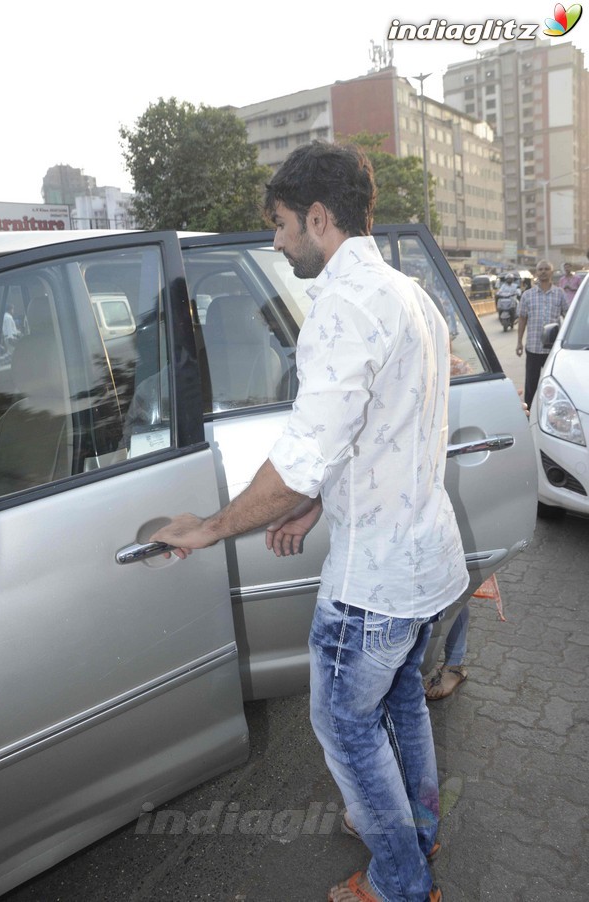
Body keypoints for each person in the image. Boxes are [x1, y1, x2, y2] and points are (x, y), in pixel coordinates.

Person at [151, 141, 469, 902]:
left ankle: (398, 879)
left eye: (282, 224)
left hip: (373, 586)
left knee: (346, 731)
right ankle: (411, 831)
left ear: (318, 218)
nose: (275, 240)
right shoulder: (410, 294)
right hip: (428, 568)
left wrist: (206, 528)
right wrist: (321, 498)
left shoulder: (340, 307)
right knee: (399, 709)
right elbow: (391, 421)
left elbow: (299, 459)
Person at [516, 260, 567, 408]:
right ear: (536, 273)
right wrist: (519, 341)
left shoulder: (560, 293)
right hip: (533, 347)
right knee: (531, 384)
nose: (543, 271)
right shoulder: (527, 295)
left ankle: (553, 410)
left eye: (546, 269)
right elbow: (522, 319)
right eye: (540, 269)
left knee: (554, 383)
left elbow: (568, 315)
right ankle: (529, 412)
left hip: (553, 349)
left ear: (552, 272)